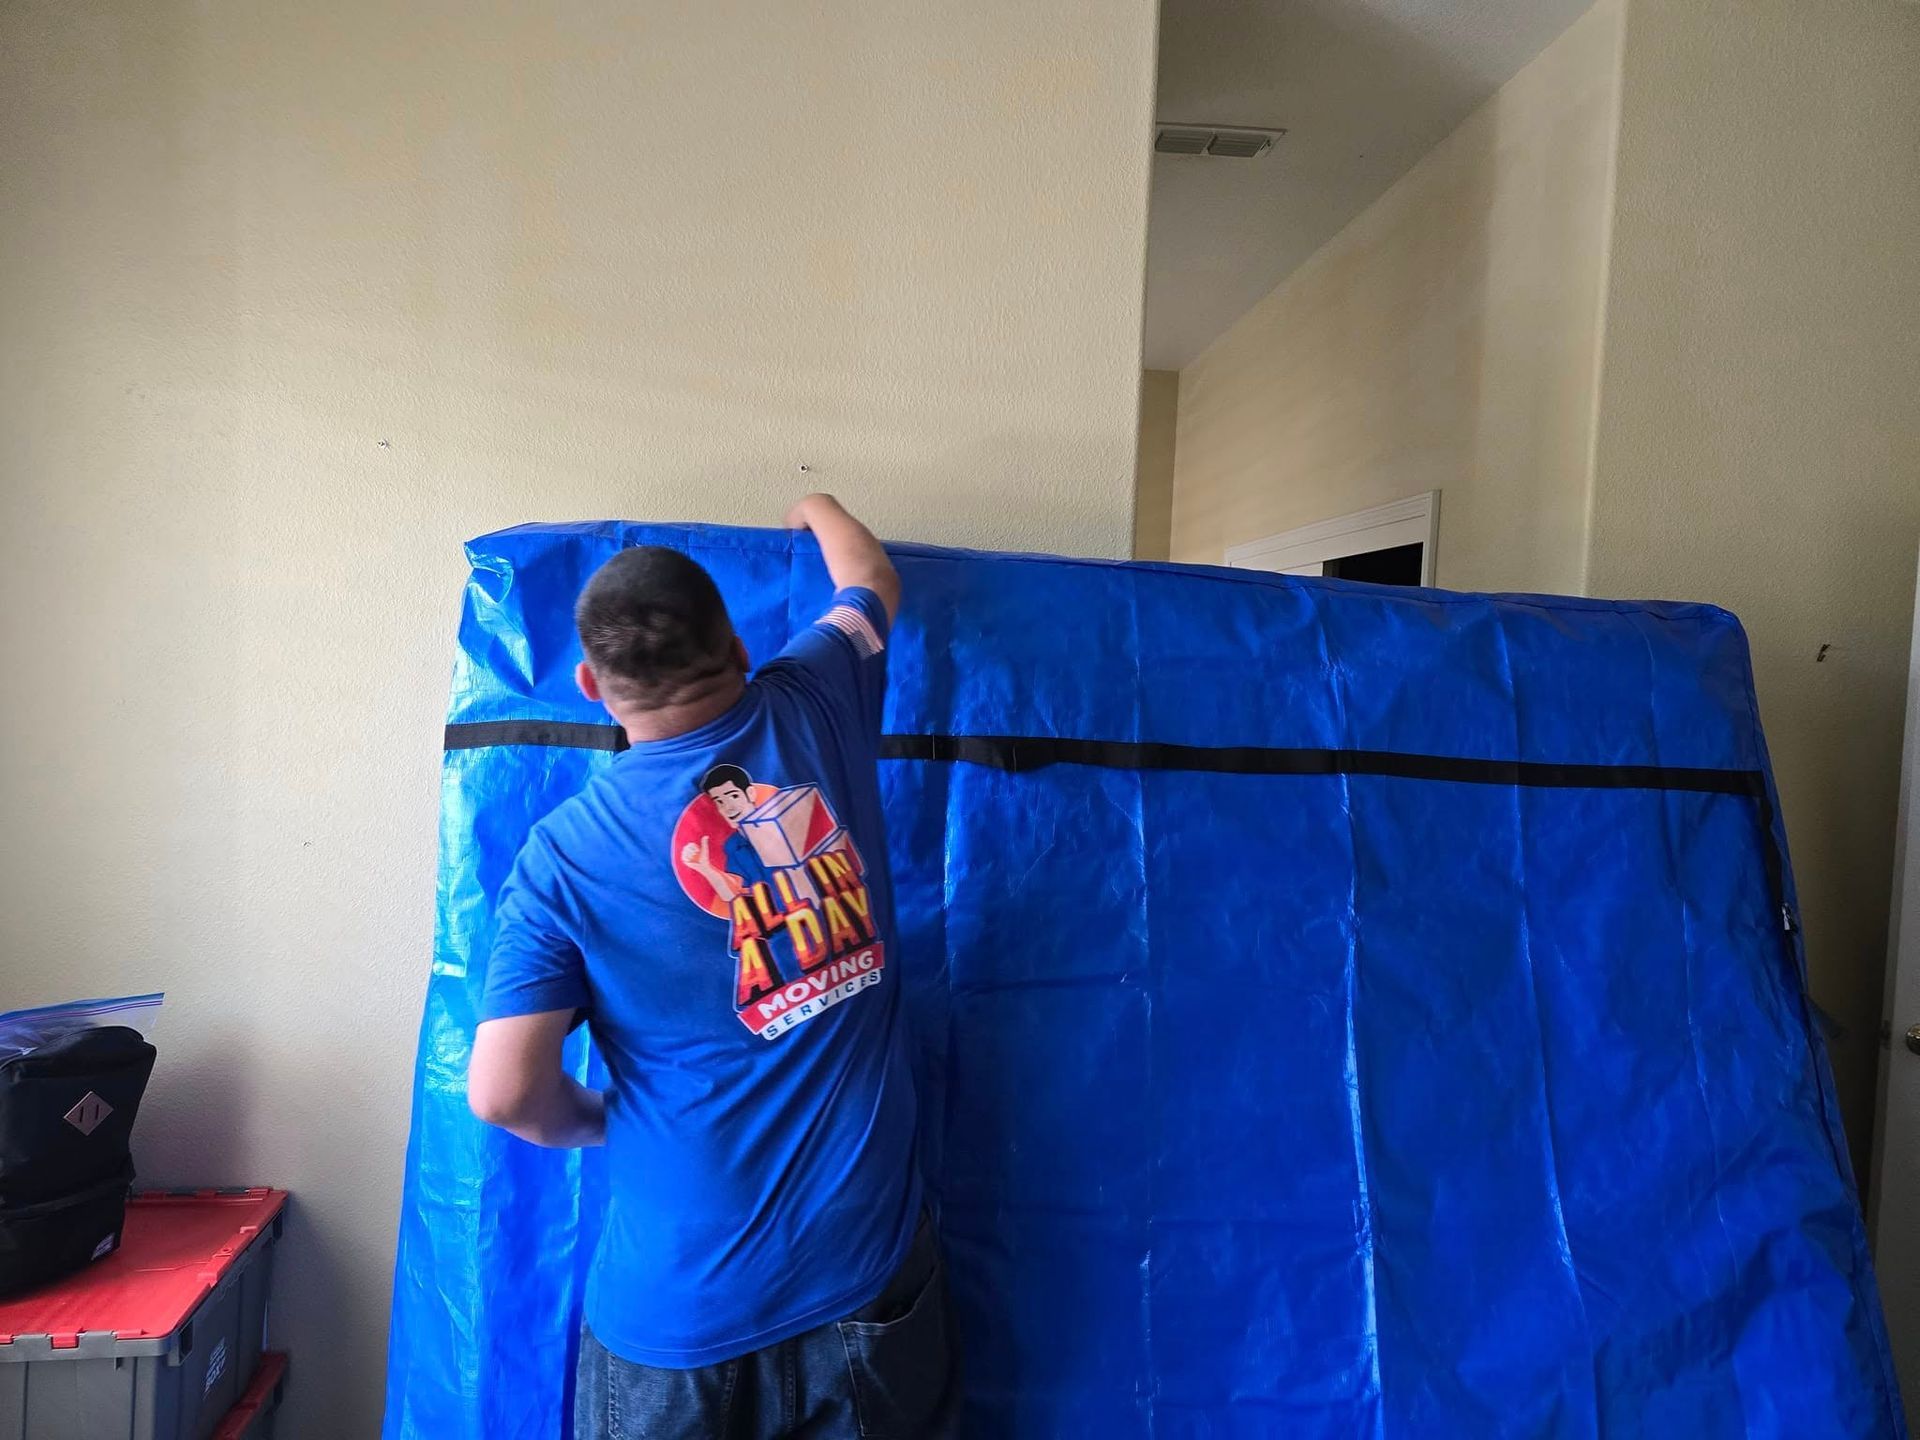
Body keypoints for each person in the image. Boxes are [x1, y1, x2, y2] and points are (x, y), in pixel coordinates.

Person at [467, 495, 956, 1439]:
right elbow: (869, 578)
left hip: (676, 1319)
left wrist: (601, 1121)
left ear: (590, 684)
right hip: (863, 1281)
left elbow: (502, 1093)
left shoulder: (562, 857)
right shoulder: (817, 694)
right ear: (736, 645)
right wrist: (815, 501)